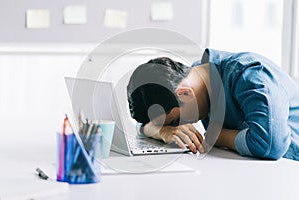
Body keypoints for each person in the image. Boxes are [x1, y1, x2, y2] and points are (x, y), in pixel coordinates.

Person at [127, 48, 299, 161]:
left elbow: (270, 145)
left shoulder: (249, 74)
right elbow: (143, 126)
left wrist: (217, 135)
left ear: (186, 93)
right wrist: (163, 131)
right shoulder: (198, 78)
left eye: (175, 121)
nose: (178, 127)